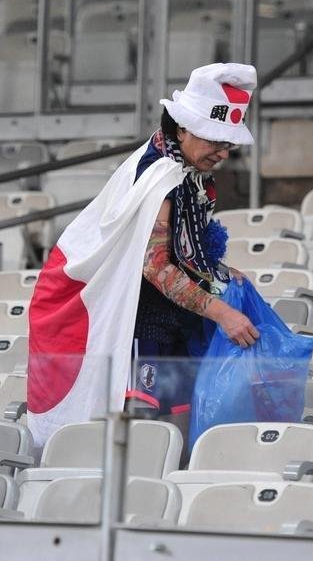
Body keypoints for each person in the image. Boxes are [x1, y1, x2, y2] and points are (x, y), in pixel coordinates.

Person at [26, 63, 259, 446]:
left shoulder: (186, 167)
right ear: (181, 127)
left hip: (173, 318)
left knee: (180, 434)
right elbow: (155, 266)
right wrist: (223, 312)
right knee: (142, 433)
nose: (222, 151)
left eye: (228, 143)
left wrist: (216, 270)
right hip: (137, 322)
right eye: (214, 139)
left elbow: (177, 249)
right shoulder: (161, 177)